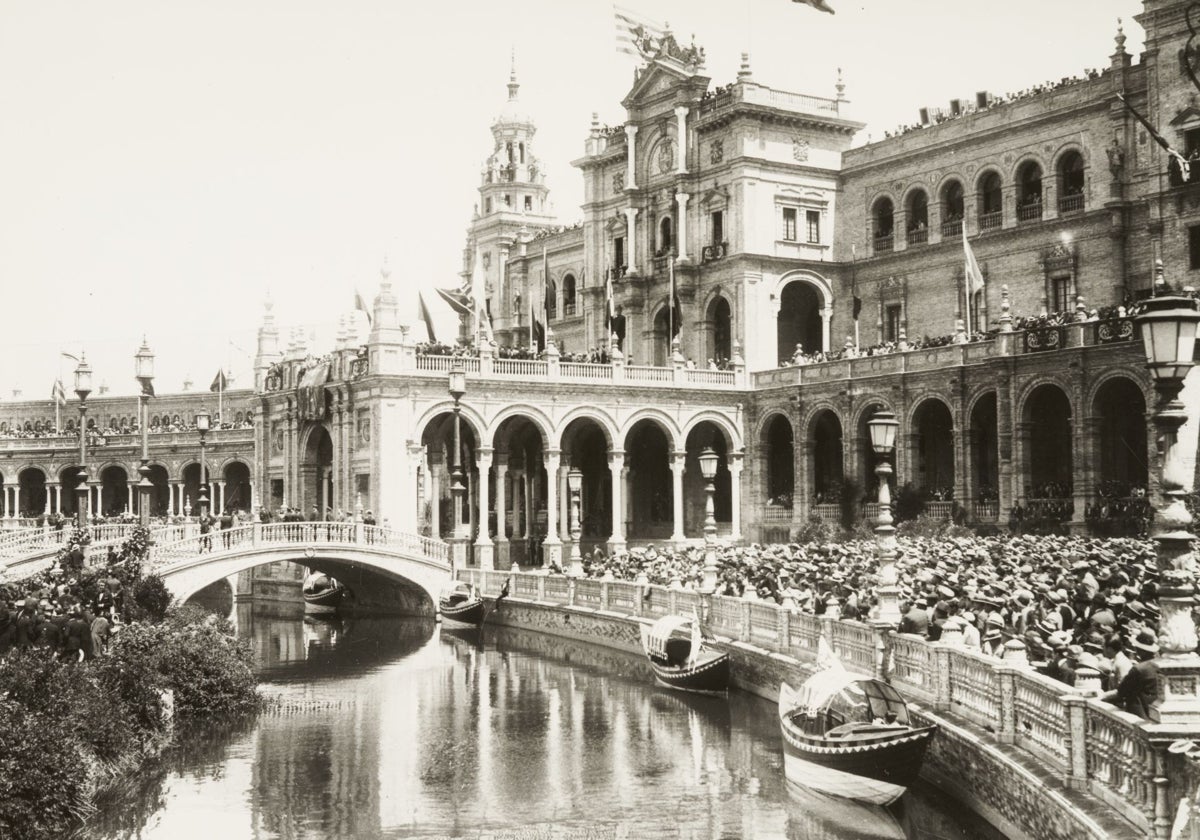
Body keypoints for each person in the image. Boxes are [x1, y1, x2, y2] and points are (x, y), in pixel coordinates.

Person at [1102, 631, 1159, 719]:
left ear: (1139, 650)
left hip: (1138, 714)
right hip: (1154, 712)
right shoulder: (1159, 667)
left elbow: (1121, 692)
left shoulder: (1139, 669)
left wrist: (1101, 696)